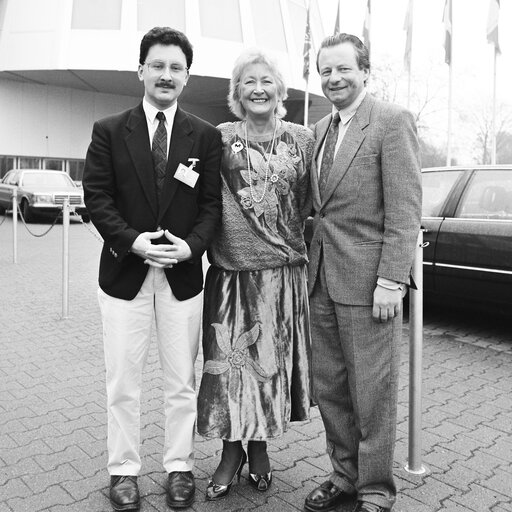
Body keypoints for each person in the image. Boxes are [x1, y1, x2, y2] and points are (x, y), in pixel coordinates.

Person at [82, 27, 222, 511]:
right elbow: (96, 197)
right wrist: (132, 240)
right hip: (126, 275)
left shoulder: (204, 136)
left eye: (176, 68)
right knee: (123, 380)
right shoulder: (108, 130)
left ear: (187, 77)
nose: (166, 75)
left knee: (181, 380)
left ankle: (179, 467)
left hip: (182, 277)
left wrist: (192, 248)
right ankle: (123, 471)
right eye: (157, 65)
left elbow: (211, 208)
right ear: (140, 70)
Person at [303, 33, 422, 512]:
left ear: (365, 72)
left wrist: (391, 281)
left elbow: (404, 208)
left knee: (372, 394)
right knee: (330, 387)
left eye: (343, 69)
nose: (334, 78)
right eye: (325, 71)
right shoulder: (317, 131)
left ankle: (376, 489)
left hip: (370, 284)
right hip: (321, 281)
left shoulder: (391, 123)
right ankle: (344, 475)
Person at [196, 49, 313, 501]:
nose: (258, 88)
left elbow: (307, 202)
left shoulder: (302, 139)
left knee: (267, 369)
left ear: (280, 90)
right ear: (236, 92)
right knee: (226, 369)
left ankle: (259, 447)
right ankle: (230, 451)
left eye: (266, 80)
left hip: (280, 278)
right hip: (229, 275)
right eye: (248, 81)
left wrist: (276, 240)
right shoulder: (219, 138)